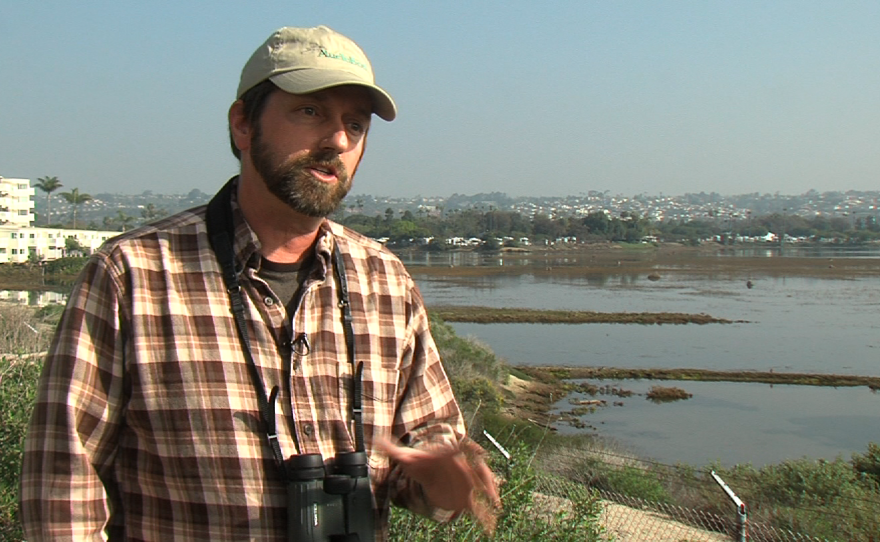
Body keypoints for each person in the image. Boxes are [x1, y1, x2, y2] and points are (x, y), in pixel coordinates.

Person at [20, 25, 498, 541]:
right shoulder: (134, 274)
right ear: (243, 124)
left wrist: (449, 484)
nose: (337, 140)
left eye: (355, 125)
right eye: (310, 111)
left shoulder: (384, 281)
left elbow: (429, 452)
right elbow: (63, 484)